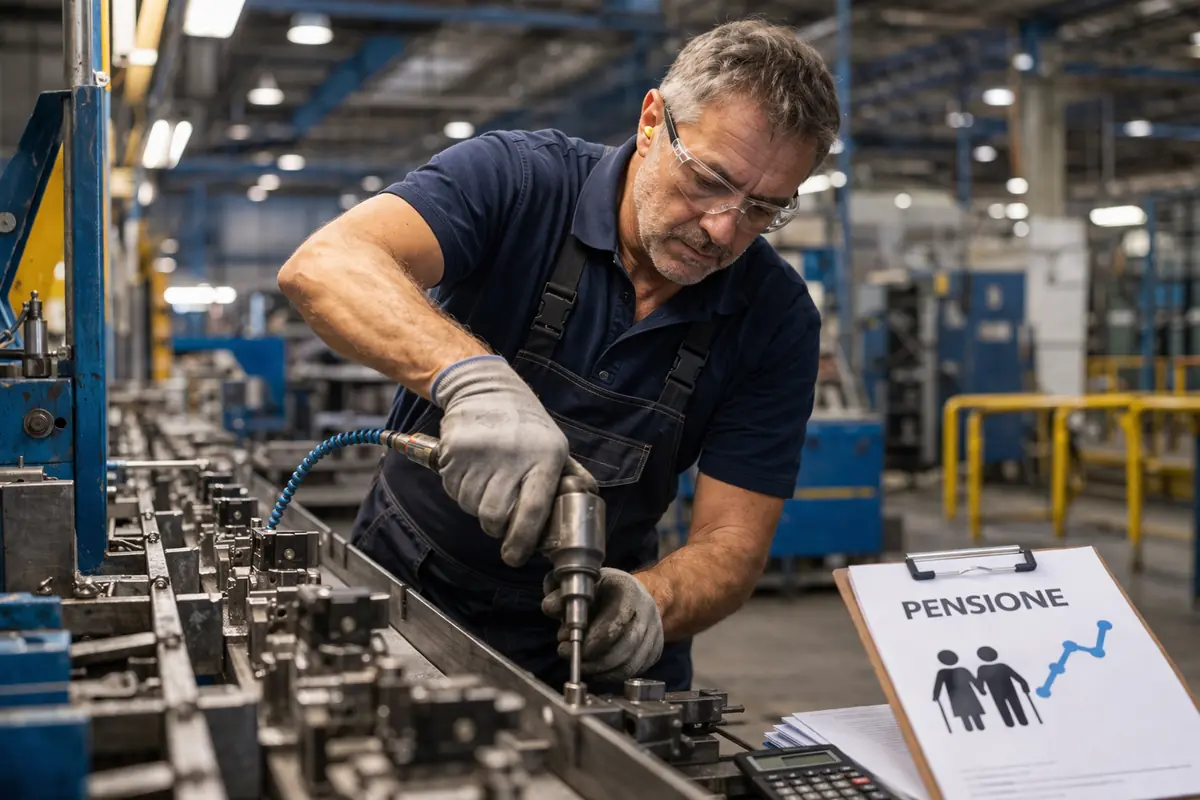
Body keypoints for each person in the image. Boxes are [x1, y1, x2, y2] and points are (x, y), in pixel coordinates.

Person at [277, 20, 838, 695]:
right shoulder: (518, 180)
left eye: (762, 209)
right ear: (654, 119)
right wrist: (473, 381)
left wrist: (649, 603)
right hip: (405, 596)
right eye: (709, 181)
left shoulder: (773, 316)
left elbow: (732, 546)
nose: (723, 229)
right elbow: (326, 265)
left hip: (590, 640)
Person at [975, 646, 1032, 727]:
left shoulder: (983, 669)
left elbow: (979, 682)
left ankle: (1013, 723)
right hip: (1007, 691)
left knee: (1006, 708)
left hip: (1000, 692)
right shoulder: (999, 666)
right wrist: (1024, 684)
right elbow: (1016, 676)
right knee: (1011, 707)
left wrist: (982, 690)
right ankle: (1020, 722)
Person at [932, 650, 986, 732]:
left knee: (970, 710)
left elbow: (973, 680)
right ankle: (971, 727)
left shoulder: (954, 671)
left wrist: (981, 689)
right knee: (965, 712)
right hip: (958, 694)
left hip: (963, 694)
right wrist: (936, 695)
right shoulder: (944, 672)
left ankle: (977, 726)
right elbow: (938, 685)